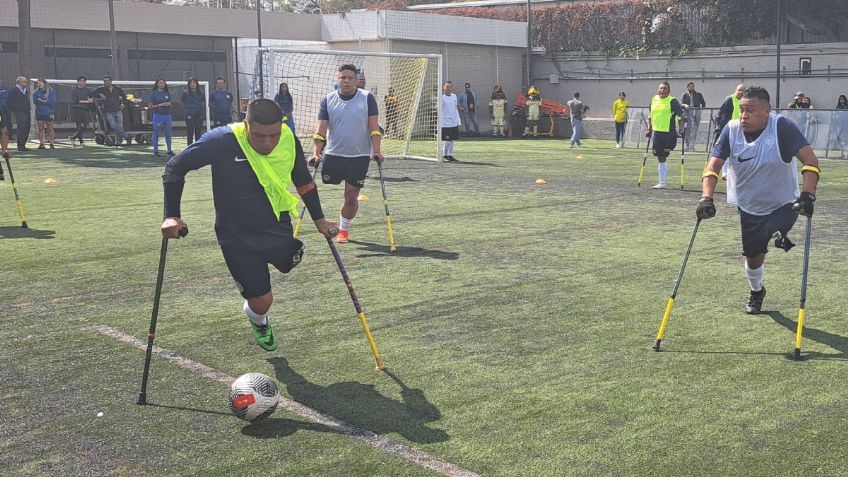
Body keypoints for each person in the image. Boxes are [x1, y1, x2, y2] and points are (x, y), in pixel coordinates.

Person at [161, 99, 337, 352]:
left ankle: (267, 272)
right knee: (263, 301)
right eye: (259, 135)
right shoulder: (222, 140)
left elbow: (304, 182)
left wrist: (320, 220)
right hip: (237, 235)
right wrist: (172, 215)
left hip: (277, 223)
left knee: (290, 260)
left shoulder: (288, 138)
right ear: (246, 124)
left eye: (273, 135)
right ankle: (257, 318)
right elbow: (175, 166)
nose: (267, 143)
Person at [697, 85, 819, 314]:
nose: (744, 116)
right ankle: (757, 291)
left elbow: (810, 161)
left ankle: (778, 234)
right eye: (742, 110)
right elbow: (713, 165)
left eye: (750, 110)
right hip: (749, 206)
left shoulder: (781, 127)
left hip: (784, 202)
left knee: (774, 228)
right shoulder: (731, 130)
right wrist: (706, 198)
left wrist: (807, 194)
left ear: (767, 111)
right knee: (754, 257)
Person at [309, 64, 384, 244]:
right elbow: (320, 131)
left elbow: (374, 128)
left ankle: (343, 229)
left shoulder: (367, 98)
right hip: (334, 155)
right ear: (338, 80)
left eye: (350, 78)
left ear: (357, 80)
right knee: (319, 188)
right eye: (343, 78)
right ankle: (326, 220)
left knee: (351, 198)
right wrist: (316, 153)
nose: (347, 81)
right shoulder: (328, 100)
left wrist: (377, 151)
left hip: (359, 157)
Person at [646, 81, 686, 189]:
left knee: (663, 155)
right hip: (657, 133)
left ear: (669, 91)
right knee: (659, 156)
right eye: (660, 88)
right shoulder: (654, 99)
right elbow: (650, 115)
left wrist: (681, 129)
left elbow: (681, 116)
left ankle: (662, 182)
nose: (662, 90)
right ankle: (662, 182)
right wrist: (649, 129)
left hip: (669, 133)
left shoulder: (672, 101)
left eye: (664, 88)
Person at [94, 75, 128, 145]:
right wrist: (100, 94)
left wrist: (123, 104)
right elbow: (92, 93)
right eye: (104, 81)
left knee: (120, 126)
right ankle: (125, 136)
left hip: (118, 110)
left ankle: (119, 142)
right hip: (108, 111)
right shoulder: (101, 89)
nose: (106, 82)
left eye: (107, 81)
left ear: (111, 81)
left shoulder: (117, 89)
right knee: (113, 125)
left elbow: (124, 97)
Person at [148, 79, 174, 157]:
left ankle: (169, 150)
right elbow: (150, 106)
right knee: (156, 133)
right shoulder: (153, 94)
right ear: (157, 84)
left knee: (168, 133)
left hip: (167, 116)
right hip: (158, 116)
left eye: (163, 83)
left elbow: (170, 104)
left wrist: (169, 104)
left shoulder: (167, 93)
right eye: (160, 83)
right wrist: (160, 105)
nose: (162, 84)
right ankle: (156, 151)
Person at [8, 76, 32, 151]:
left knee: (26, 128)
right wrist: (15, 110)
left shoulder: (25, 90)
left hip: (26, 111)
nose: (26, 83)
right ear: (19, 82)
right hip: (19, 112)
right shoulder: (13, 90)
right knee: (21, 128)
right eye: (24, 82)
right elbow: (9, 102)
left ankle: (23, 145)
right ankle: (20, 145)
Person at [681, 82, 706, 151]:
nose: (691, 88)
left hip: (696, 113)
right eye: (689, 87)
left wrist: (700, 110)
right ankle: (687, 146)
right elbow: (681, 104)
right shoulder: (685, 95)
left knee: (694, 130)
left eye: (692, 86)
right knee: (687, 130)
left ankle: (692, 146)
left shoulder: (698, 94)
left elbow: (703, 103)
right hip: (688, 114)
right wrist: (685, 105)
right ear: (687, 87)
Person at [33, 79, 57, 150]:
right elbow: (36, 101)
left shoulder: (51, 92)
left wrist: (43, 101)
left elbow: (52, 101)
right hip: (40, 113)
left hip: (49, 113)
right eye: (38, 83)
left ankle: (52, 143)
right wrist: (45, 101)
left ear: (44, 83)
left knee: (50, 129)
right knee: (40, 129)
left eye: (40, 83)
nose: (39, 84)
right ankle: (42, 144)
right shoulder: (36, 92)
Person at [440, 81, 461, 161]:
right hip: (445, 122)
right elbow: (439, 109)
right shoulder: (441, 97)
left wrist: (458, 119)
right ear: (444, 88)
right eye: (447, 86)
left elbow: (455, 109)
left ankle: (449, 155)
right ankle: (444, 155)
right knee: (445, 140)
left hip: (453, 122)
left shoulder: (454, 96)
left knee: (452, 139)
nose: (448, 88)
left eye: (450, 87)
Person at [70, 76, 93, 146]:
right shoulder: (74, 90)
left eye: (83, 81)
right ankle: (81, 141)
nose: (82, 82)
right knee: (79, 126)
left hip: (85, 109)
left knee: (86, 125)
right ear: (78, 82)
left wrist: (90, 99)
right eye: (80, 80)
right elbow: (75, 100)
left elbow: (91, 97)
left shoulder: (87, 90)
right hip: (77, 109)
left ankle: (73, 137)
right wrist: (86, 101)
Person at [181, 78, 205, 146]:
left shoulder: (201, 93)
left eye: (194, 82)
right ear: (189, 84)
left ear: (197, 84)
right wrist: (188, 110)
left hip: (199, 114)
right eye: (191, 83)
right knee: (190, 131)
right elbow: (182, 103)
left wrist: (199, 109)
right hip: (189, 114)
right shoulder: (185, 93)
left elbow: (203, 102)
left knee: (198, 132)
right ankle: (189, 147)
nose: (192, 84)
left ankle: (198, 148)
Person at [831, 94, 848, 158]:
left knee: (845, 136)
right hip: (839, 124)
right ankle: (842, 152)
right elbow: (835, 114)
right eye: (840, 99)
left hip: (846, 124)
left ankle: (846, 149)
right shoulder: (838, 106)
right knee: (839, 137)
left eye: (843, 99)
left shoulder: (847, 106)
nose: (842, 100)